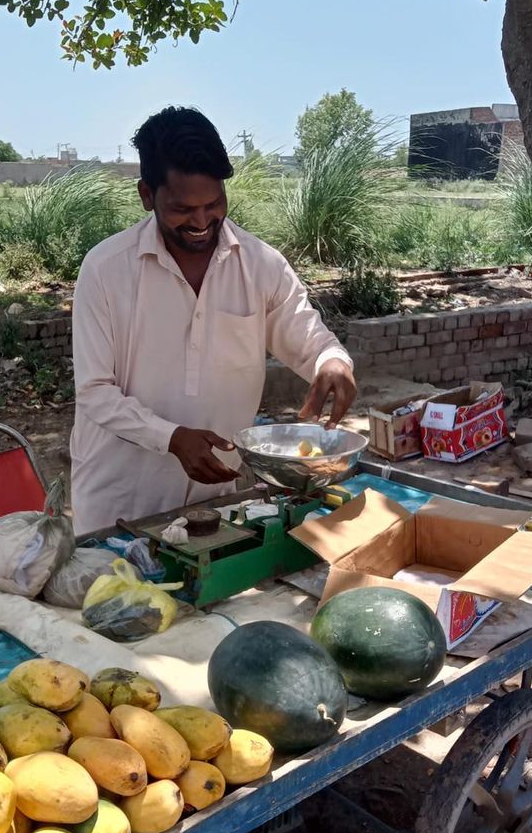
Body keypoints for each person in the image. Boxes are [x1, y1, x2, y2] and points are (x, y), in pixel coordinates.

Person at [70, 106, 356, 534]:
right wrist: (171, 438)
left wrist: (332, 362)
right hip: (121, 503)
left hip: (217, 499)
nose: (202, 222)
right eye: (183, 209)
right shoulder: (106, 270)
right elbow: (94, 392)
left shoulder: (260, 265)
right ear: (147, 195)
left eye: (214, 203)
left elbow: (306, 334)